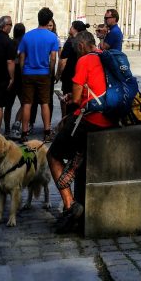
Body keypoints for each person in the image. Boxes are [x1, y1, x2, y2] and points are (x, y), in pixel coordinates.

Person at [48, 30, 114, 234]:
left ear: (81, 46)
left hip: (93, 120)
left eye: (77, 49)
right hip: (110, 117)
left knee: (53, 155)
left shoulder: (84, 60)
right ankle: (76, 163)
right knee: (73, 141)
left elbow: (76, 100)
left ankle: (70, 205)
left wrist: (69, 103)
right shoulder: (105, 56)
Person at [18, 7, 61, 141]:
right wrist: (51, 72)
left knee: (27, 103)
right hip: (44, 73)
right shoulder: (52, 37)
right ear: (48, 20)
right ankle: (46, 132)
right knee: (45, 103)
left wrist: (22, 71)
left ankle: (24, 133)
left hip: (28, 72)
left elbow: (21, 57)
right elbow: (53, 58)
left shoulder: (27, 36)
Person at [30, 18, 59, 131]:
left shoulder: (54, 38)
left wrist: (53, 73)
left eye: (51, 25)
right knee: (34, 99)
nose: (49, 27)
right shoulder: (41, 37)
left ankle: (48, 124)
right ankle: (32, 122)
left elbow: (55, 57)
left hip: (46, 72)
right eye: (47, 25)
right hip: (41, 71)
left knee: (47, 99)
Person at [56, 20, 88, 118]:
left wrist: (58, 75)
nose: (70, 28)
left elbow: (63, 60)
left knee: (66, 99)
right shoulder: (84, 41)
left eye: (71, 27)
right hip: (81, 75)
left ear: (75, 29)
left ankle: (65, 121)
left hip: (69, 76)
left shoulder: (70, 42)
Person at [4, 22, 25, 135]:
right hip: (21, 77)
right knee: (24, 103)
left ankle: (7, 128)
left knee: (8, 105)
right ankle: (17, 124)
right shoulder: (25, 43)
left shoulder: (10, 43)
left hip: (11, 76)